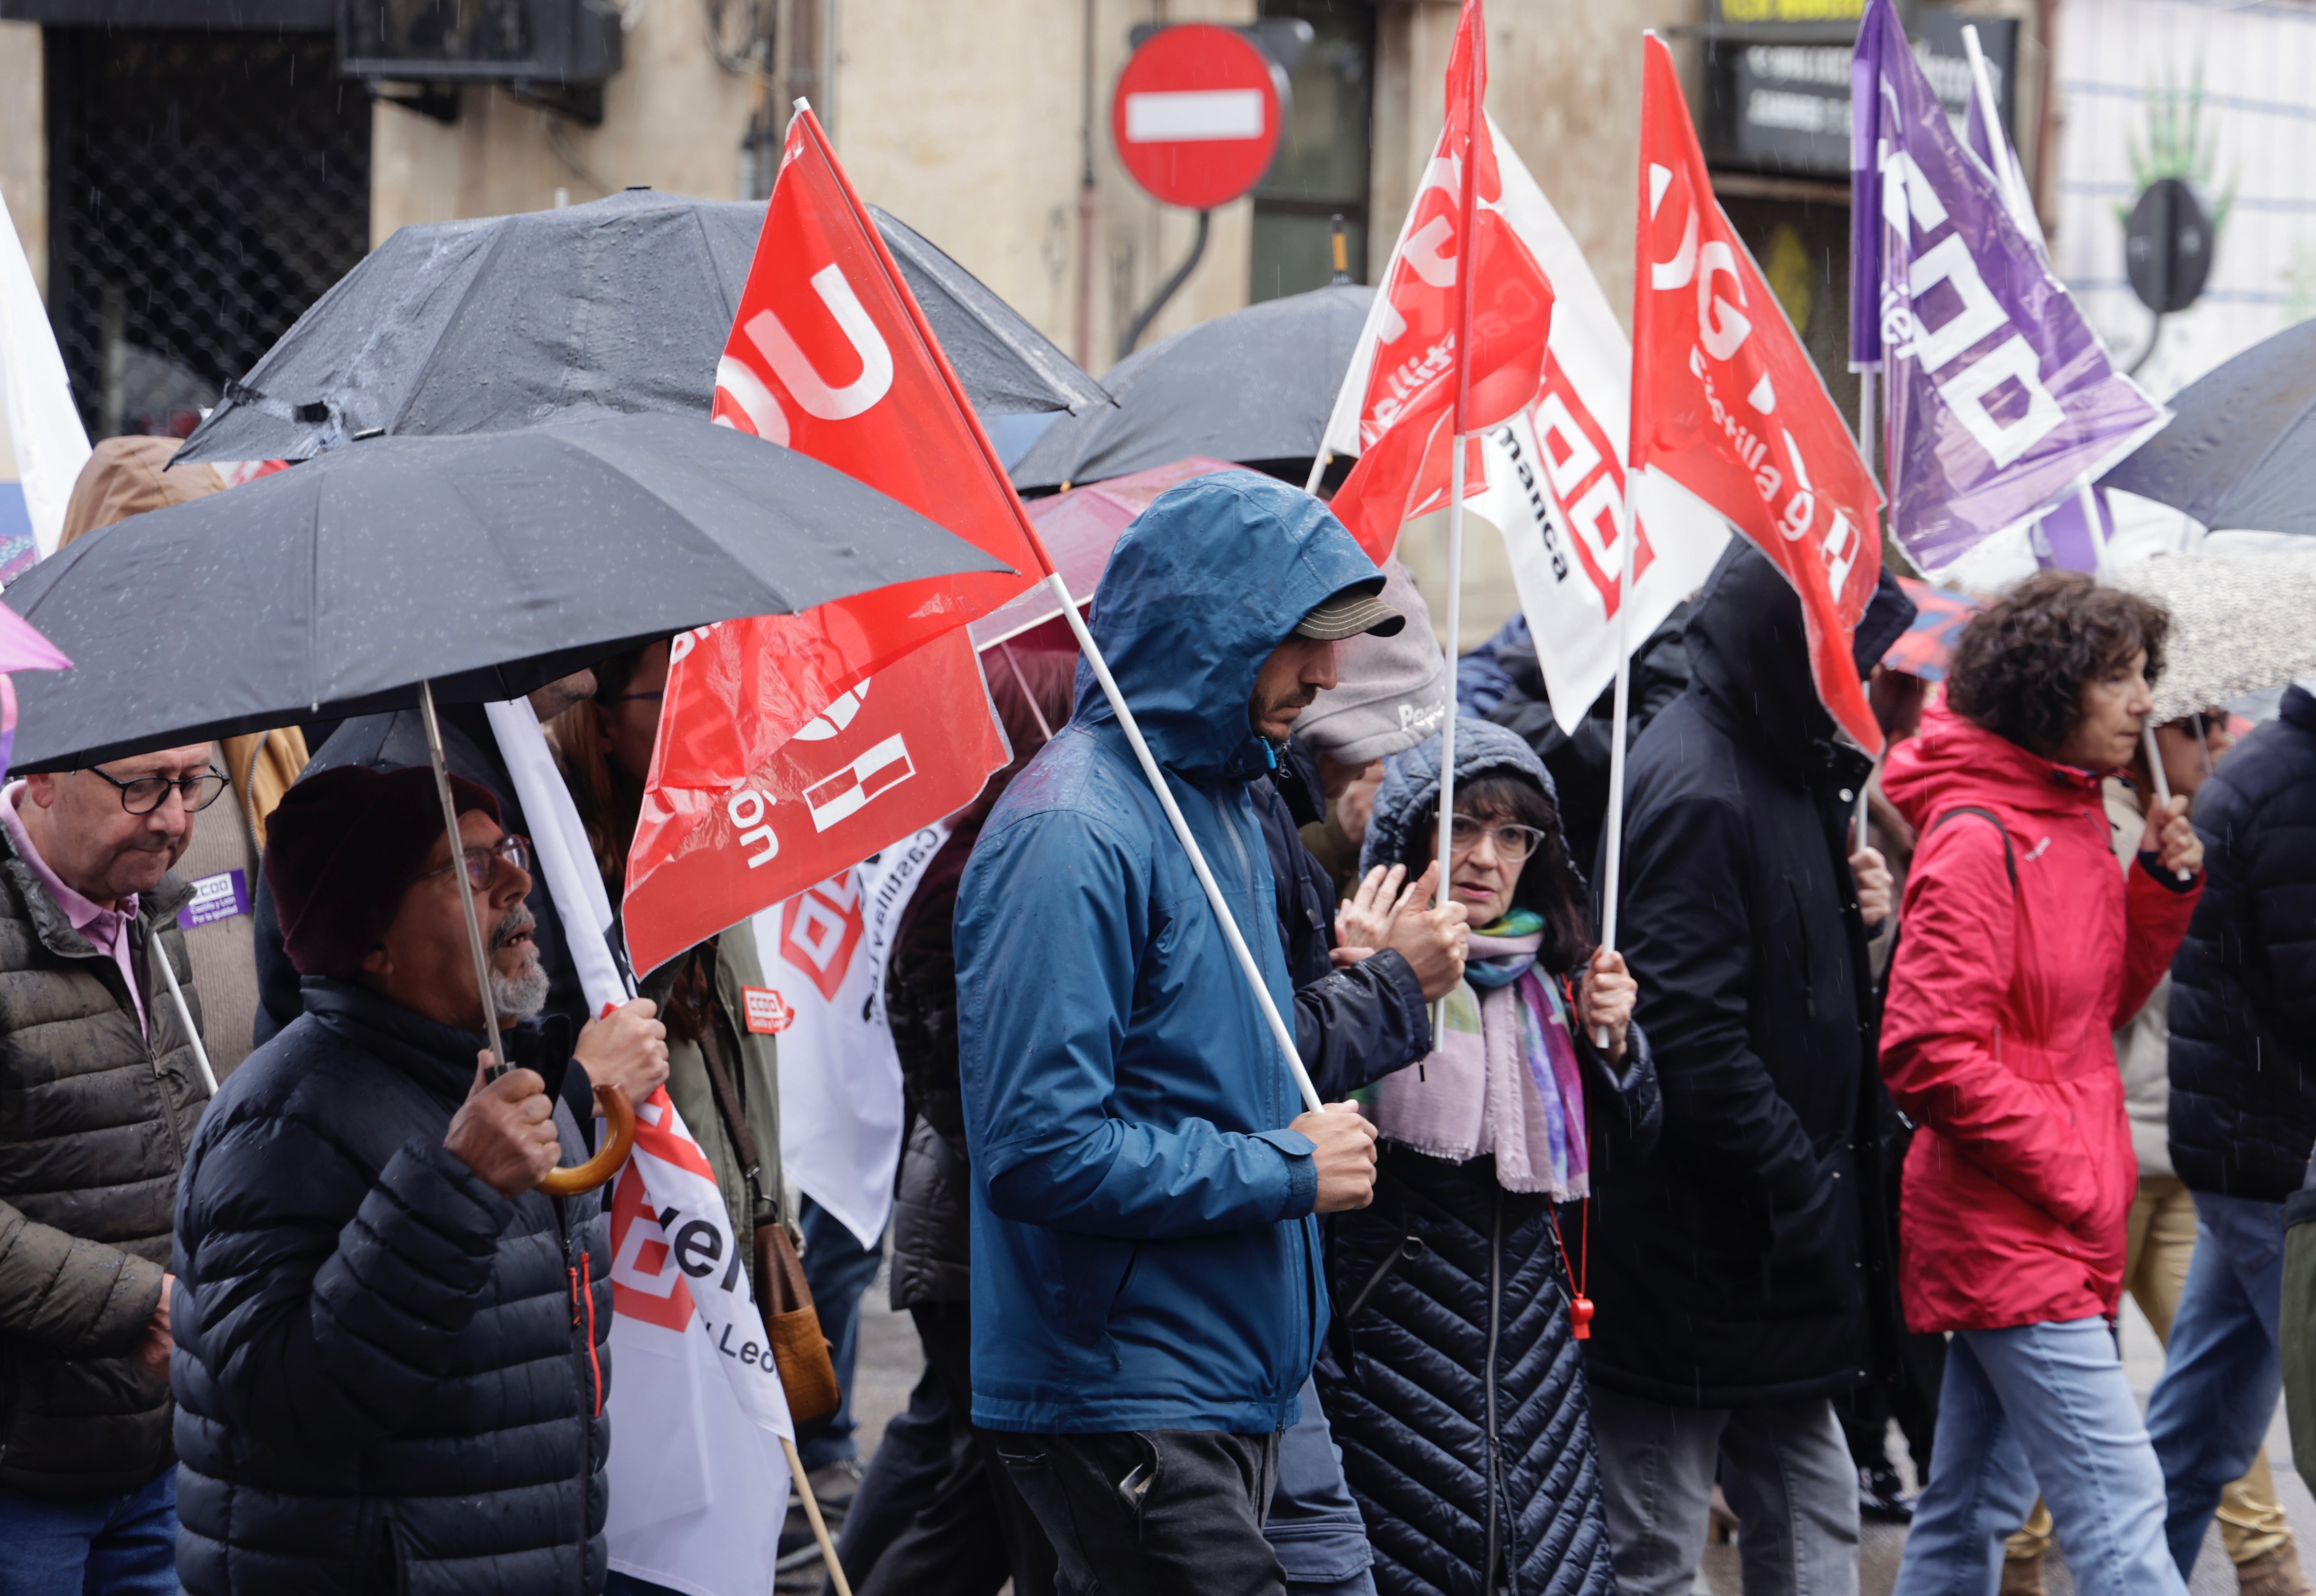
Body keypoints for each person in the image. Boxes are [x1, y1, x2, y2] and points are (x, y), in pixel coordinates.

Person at [953, 470, 1391, 1594]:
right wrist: (1283, 1166)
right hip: (1125, 1393)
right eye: (1303, 639)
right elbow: (1040, 1149)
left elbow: (1222, 1061)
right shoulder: (1071, 830)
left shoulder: (1224, 804)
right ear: (1219, 629)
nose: (1329, 673)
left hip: (1227, 1376)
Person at [172, 764, 669, 1595]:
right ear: (370, 941)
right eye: (469, 867)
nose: (518, 880)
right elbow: (284, 1403)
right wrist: (455, 1186)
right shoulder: (281, 1121)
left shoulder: (498, 1080)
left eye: (506, 850)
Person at [1586, 545, 1915, 1596]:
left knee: (1812, 1510)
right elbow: (1689, 1038)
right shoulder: (1702, 779)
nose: (1865, 690)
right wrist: (1803, 1182)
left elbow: (1779, 991)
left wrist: (1847, 923)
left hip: (1772, 1247)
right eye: (1853, 660)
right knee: (1658, 1545)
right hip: (1702, 1246)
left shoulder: (1776, 757)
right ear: (1797, 645)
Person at [1879, 571, 2202, 1596]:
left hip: (2051, 1221)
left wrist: (2160, 888)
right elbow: (1925, 1047)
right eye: (2120, 677)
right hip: (2011, 1223)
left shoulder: (2066, 821)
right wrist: (2066, 1164)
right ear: (2052, 689)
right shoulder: (1980, 837)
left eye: (2143, 675)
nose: (2145, 701)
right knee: (2119, 1508)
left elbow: (2083, 1010)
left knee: (1968, 1511)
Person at [1316, 718, 1658, 1596]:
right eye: (1459, 827)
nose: (1485, 856)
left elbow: (1635, 1140)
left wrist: (1615, 1045)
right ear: (1407, 838)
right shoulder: (1347, 959)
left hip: (1535, 1351)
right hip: (1390, 1343)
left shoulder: (1557, 976)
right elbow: (1303, 1124)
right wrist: (1369, 990)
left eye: (1512, 834)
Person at [826, 646, 1076, 1596]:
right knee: (990, 1475)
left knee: (973, 1472)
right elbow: (961, 1088)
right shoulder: (966, 875)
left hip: (978, 1226)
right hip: (978, 1234)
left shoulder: (998, 856)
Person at [0, 741, 219, 1594]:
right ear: (43, 776)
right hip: (24, 1477)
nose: (171, 819)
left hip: (162, 1455)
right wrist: (138, 1304)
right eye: (140, 785)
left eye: (191, 784)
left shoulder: (149, 913)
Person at [54, 435, 311, 1078]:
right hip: (123, 1123)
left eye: (204, 563)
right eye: (154, 569)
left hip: (272, 1111)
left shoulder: (264, 716)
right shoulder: (44, 749)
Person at [2150, 681, 2316, 1592]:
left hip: (2249, 1151)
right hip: (2277, 1160)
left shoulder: (2281, 771)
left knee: (2198, 1429)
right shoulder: (2292, 786)